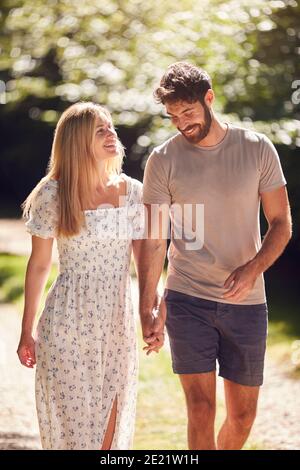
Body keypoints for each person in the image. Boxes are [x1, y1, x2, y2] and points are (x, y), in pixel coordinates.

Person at [140, 62, 292, 450]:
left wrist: (252, 268)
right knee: (201, 408)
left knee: (242, 418)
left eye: (188, 113)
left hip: (246, 301)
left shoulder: (257, 149)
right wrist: (149, 306)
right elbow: (155, 240)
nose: (181, 123)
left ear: (209, 99)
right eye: (172, 116)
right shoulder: (163, 159)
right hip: (188, 297)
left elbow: (281, 223)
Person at [17, 102, 163, 450]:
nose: (111, 133)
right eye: (101, 130)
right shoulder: (53, 193)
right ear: (78, 141)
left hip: (116, 321)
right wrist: (26, 331)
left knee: (108, 438)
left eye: (110, 127)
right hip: (66, 322)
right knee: (76, 435)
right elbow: (39, 265)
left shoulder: (134, 192)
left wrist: (152, 313)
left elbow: (145, 257)